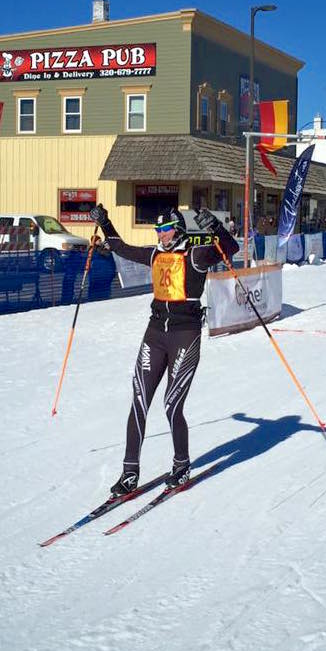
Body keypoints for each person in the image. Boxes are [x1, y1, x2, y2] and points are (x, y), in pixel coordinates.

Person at [88, 204, 239, 494]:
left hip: (185, 334)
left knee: (171, 404)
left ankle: (181, 466)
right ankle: (129, 473)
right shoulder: (155, 254)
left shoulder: (196, 255)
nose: (161, 235)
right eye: (158, 230)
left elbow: (229, 247)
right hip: (155, 333)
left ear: (178, 230)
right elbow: (122, 247)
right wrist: (105, 222)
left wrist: (215, 227)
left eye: (166, 229)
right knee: (139, 400)